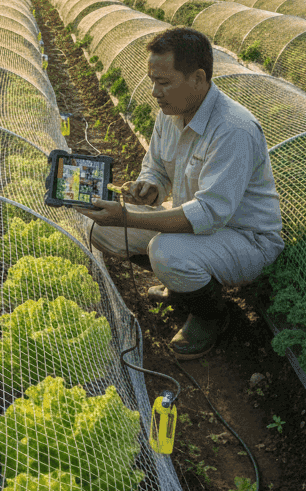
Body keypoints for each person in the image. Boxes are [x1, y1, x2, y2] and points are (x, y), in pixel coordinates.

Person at [76, 27, 284, 360]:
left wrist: (129, 215)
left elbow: (209, 214)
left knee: (166, 251)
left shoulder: (233, 129)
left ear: (199, 78)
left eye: (165, 82)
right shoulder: (169, 114)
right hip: (200, 226)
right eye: (152, 81)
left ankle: (211, 314)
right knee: (103, 230)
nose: (155, 92)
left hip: (245, 238)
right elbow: (156, 165)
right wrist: (151, 186)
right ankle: (183, 286)